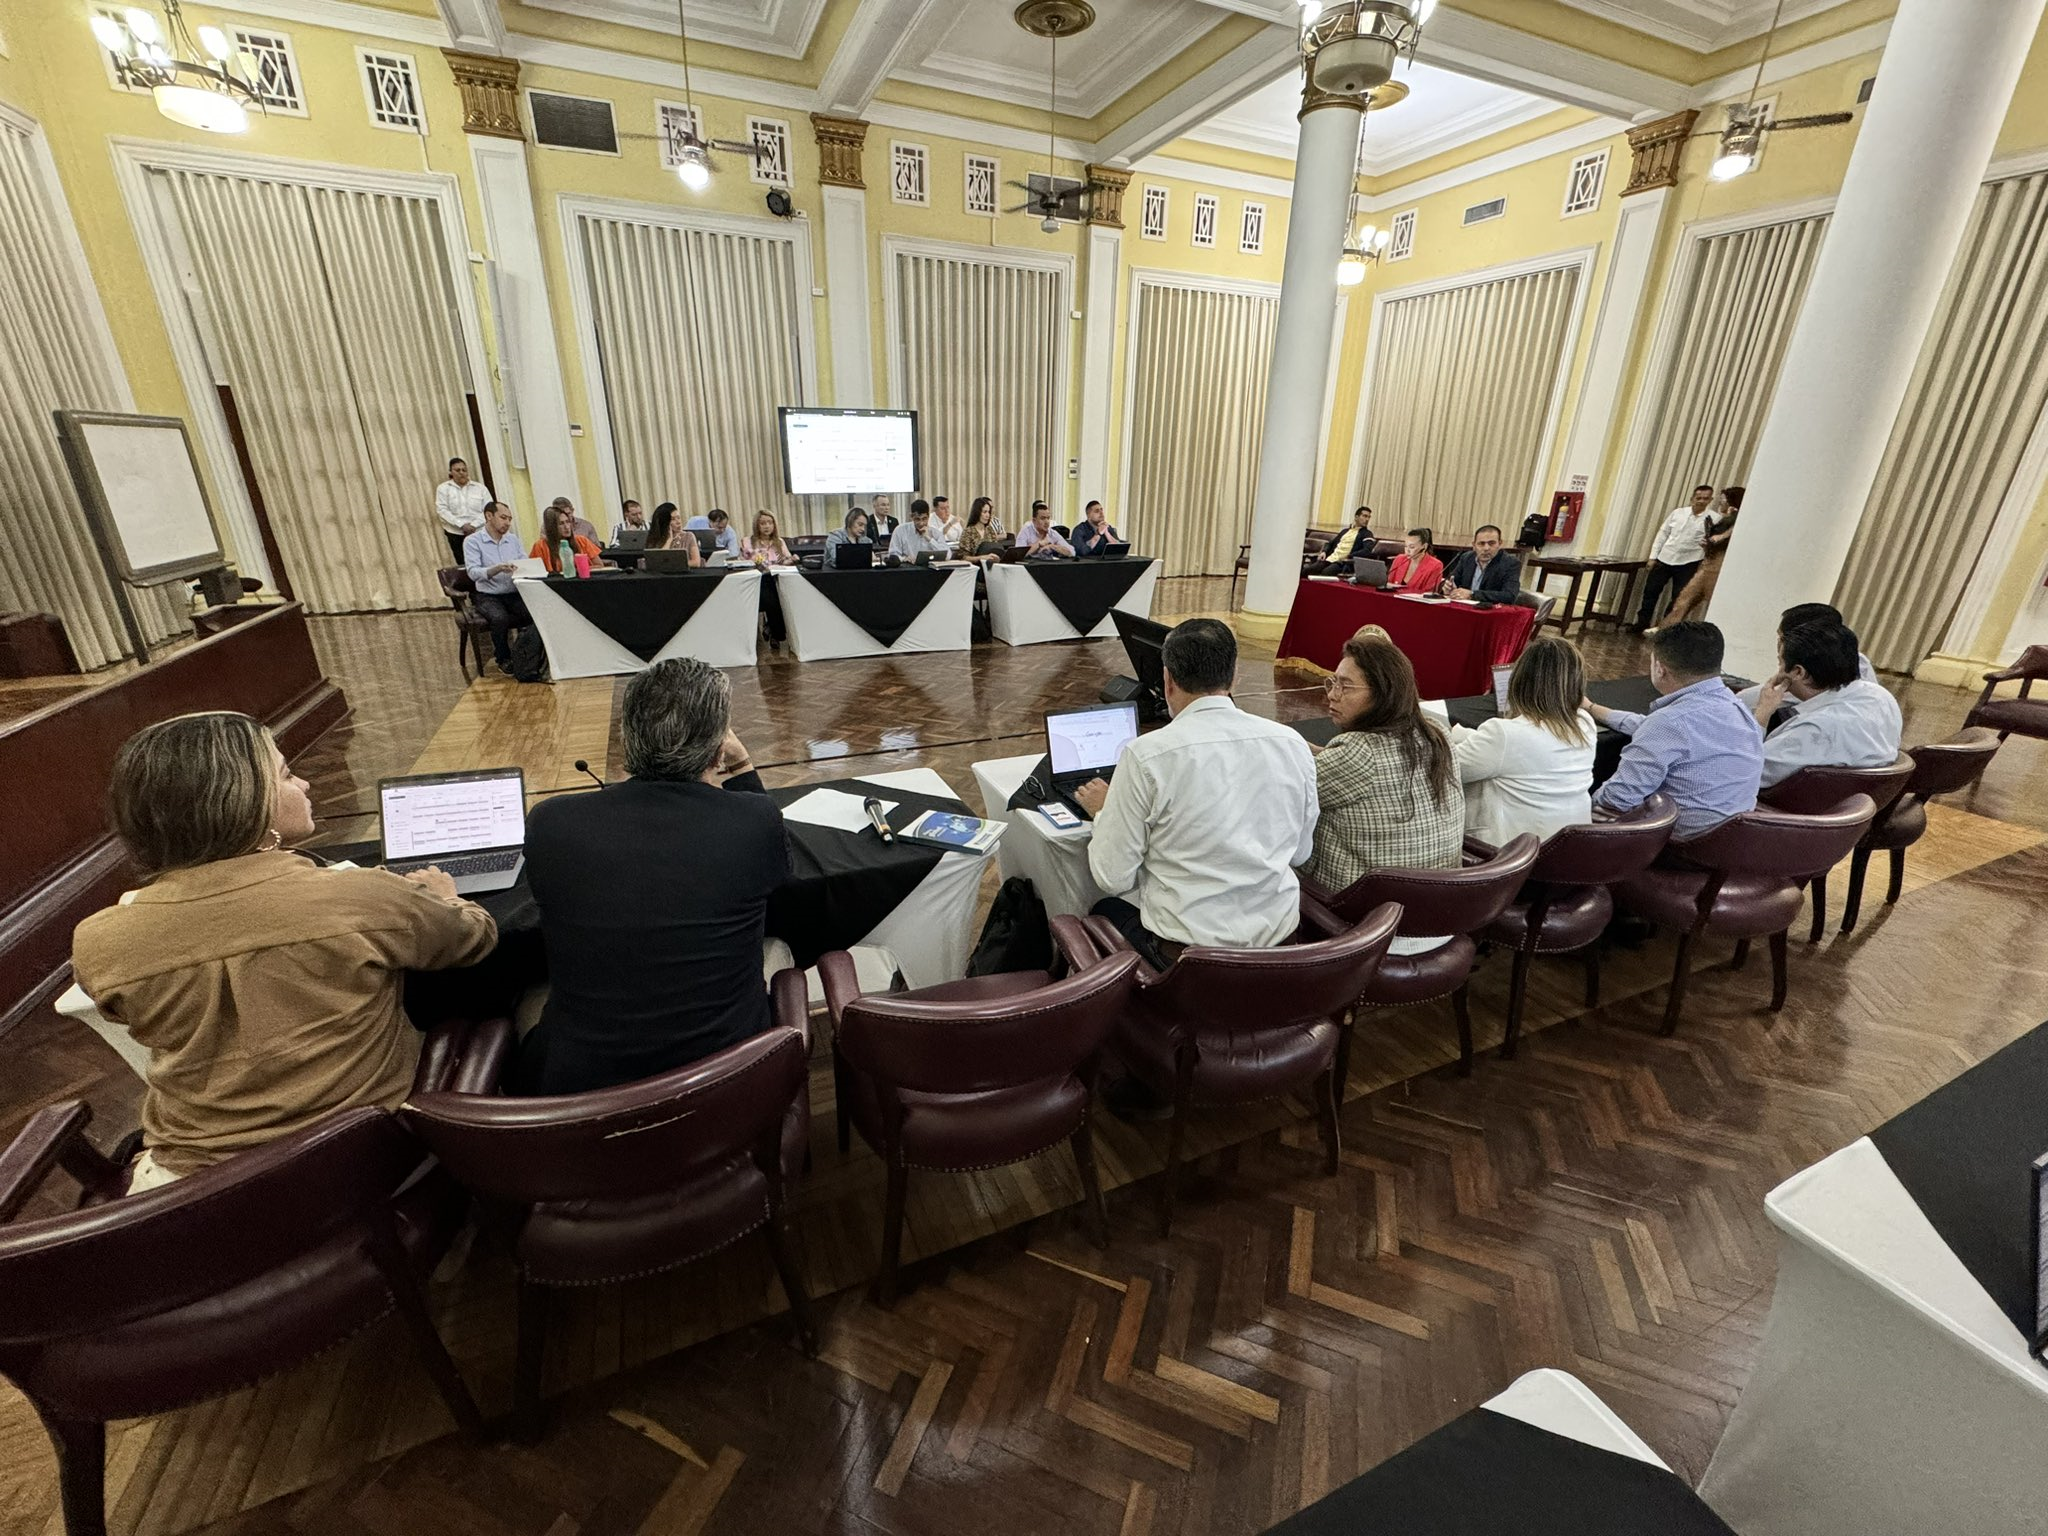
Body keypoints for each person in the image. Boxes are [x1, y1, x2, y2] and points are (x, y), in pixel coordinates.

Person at [71, 712, 496, 1189]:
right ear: (249, 804)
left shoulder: (98, 939)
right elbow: (472, 938)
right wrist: (445, 897)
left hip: (189, 1192)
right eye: (288, 774)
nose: (308, 783)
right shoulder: (361, 897)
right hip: (355, 1167)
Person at [516, 659, 788, 1095]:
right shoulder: (755, 820)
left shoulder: (552, 822)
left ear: (626, 740)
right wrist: (741, 768)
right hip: (729, 1087)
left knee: (530, 994)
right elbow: (773, 862)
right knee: (779, 947)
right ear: (719, 749)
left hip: (582, 1100)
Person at [1073, 618, 1317, 968]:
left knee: (1105, 909)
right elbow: (1299, 854)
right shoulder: (1291, 743)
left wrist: (1104, 812)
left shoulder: (1147, 755)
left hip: (1188, 965)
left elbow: (1113, 878)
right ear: (1233, 678)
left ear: (1167, 680)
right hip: (1278, 950)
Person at [1300, 631, 1464, 893]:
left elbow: (1286, 794)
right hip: (1440, 903)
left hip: (1367, 914)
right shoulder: (1436, 734)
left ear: (1382, 692)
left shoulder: (1357, 754)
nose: (1332, 695)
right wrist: (1308, 749)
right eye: (1332, 683)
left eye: (1346, 686)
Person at [1589, 621, 1763, 840]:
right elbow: (1653, 726)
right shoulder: (1738, 709)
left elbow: (1617, 800)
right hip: (1731, 840)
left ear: (1660, 668)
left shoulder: (1669, 722)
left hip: (1680, 845)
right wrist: (1592, 709)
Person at [1450, 636, 1596, 846]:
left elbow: (1448, 768)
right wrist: (1462, 734)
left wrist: (1441, 735)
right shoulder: (1585, 724)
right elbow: (1512, 753)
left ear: (1519, 680)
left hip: (1513, 853)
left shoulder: (1504, 734)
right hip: (1568, 848)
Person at [1752, 620, 1903, 789]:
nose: (1778, 671)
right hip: (1860, 802)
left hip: (1798, 809)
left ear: (1798, 672)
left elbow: (1741, 773)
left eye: (1780, 663)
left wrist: (1761, 715)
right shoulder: (1881, 696)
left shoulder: (1816, 729)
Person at [1734, 602, 1878, 715]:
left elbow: (1772, 695)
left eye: (1782, 638)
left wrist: (1742, 703)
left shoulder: (1818, 671)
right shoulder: (1857, 660)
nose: (1779, 647)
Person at [1634, 484, 1716, 631]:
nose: (1701, 501)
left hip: (1689, 561)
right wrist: (1653, 556)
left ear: (1711, 499)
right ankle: (1641, 624)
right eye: (1698, 498)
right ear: (1692, 498)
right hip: (1665, 557)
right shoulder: (1678, 513)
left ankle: (1665, 628)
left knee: (1678, 597)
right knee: (1650, 592)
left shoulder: (1713, 518)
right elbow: (1662, 534)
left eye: (1705, 498)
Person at [1657, 486, 1741, 629]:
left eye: (1723, 501)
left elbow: (1728, 535)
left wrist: (1719, 537)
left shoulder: (1736, 519)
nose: (1721, 503)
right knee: (1685, 598)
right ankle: (1665, 630)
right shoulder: (1725, 519)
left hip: (1718, 565)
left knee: (1711, 600)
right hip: (1708, 562)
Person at [463, 501, 531, 673]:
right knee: (499, 618)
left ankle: (529, 654)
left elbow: (523, 560)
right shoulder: (472, 541)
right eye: (503, 518)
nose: (507, 523)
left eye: (509, 519)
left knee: (532, 613)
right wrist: (496, 569)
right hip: (488, 594)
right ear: (488, 516)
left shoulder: (513, 539)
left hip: (513, 592)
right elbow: (472, 572)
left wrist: (523, 567)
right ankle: (503, 658)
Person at [435, 456, 492, 567]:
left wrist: (473, 525)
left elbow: (488, 509)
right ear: (451, 472)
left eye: (464, 470)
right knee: (465, 565)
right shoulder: (443, 488)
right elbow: (442, 510)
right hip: (455, 533)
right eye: (457, 470)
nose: (461, 473)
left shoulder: (480, 488)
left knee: (485, 561)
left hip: (479, 531)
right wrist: (461, 525)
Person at [1440, 525, 1521, 601]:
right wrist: (1447, 587)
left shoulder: (1511, 563)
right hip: (1464, 608)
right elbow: (1451, 580)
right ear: (1474, 545)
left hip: (1491, 612)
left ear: (1500, 544)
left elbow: (1509, 595)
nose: (1486, 548)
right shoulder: (1466, 558)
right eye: (1481, 544)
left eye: (1491, 543)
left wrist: (1472, 594)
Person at [532, 504, 604, 574]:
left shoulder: (582, 541)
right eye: (561, 524)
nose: (567, 527)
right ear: (552, 527)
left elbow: (599, 566)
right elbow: (535, 572)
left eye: (567, 522)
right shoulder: (540, 546)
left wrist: (577, 570)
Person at [1311, 506, 1375, 575]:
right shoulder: (1345, 531)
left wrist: (1350, 556)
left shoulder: (1367, 534)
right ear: (1356, 517)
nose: (1367, 519)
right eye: (1365, 516)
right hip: (1330, 558)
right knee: (1308, 570)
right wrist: (1324, 552)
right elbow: (1330, 543)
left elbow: (1367, 550)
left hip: (1344, 562)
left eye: (1369, 517)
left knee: (1325, 573)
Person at [1387, 528, 1444, 594]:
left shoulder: (1435, 565)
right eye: (1405, 546)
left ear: (1424, 547)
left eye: (1412, 547)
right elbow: (1388, 583)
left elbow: (1429, 593)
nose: (1407, 550)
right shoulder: (1399, 559)